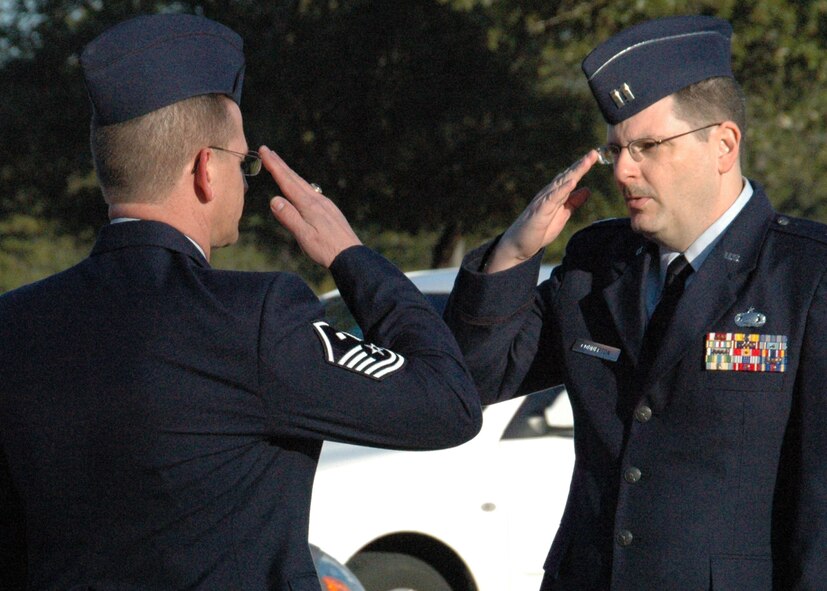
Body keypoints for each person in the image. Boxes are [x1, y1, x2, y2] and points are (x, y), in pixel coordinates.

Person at [0, 14, 481, 591]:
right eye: (243, 162)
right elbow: (448, 403)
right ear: (205, 170)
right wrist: (352, 257)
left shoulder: (16, 322)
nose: (248, 181)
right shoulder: (255, 318)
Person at [445, 14, 827, 590]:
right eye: (615, 150)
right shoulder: (597, 265)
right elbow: (474, 377)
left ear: (723, 145)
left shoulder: (805, 275)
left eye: (648, 146)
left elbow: (819, 513)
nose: (623, 170)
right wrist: (515, 252)